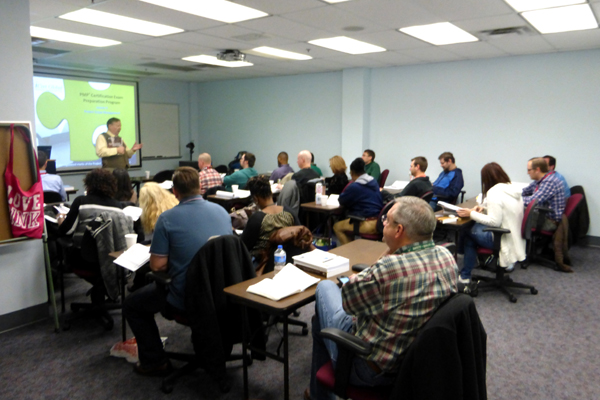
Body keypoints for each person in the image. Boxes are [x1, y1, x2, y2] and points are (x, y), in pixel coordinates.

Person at [308, 196, 458, 400]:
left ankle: (320, 394)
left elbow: (349, 304)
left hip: (371, 369)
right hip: (412, 362)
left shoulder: (389, 268)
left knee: (325, 288)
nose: (383, 223)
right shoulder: (446, 255)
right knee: (320, 321)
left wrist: (383, 257)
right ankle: (318, 392)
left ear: (399, 230)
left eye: (387, 220)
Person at [124, 167, 232, 375]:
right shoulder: (222, 211)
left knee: (132, 305)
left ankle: (155, 361)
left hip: (186, 296)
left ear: (175, 191)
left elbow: (158, 266)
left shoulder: (167, 219)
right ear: (200, 187)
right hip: (221, 290)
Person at [456, 163, 526, 284]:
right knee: (472, 231)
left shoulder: (494, 192)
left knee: (467, 232)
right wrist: (483, 209)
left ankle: (464, 271)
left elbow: (494, 221)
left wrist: (471, 213)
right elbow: (504, 210)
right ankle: (464, 272)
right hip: (513, 236)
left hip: (502, 239)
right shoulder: (511, 188)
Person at [522, 157, 571, 272]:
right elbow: (524, 191)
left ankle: (514, 254)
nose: (527, 172)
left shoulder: (550, 182)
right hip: (542, 215)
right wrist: (512, 195)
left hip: (548, 221)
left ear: (537, 170)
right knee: (516, 211)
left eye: (529, 170)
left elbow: (532, 202)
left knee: (515, 215)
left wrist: (512, 201)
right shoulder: (541, 180)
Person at [241, 176, 300, 265]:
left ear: (255, 199)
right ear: (271, 193)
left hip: (262, 265)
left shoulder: (257, 218)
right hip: (288, 261)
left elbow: (243, 246)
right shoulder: (289, 212)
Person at [57, 168, 123, 240]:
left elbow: (67, 231)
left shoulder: (81, 202)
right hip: (108, 246)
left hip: (82, 246)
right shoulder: (118, 207)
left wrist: (60, 217)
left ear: (89, 185)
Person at [332, 158, 383, 245]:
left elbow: (342, 200)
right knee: (348, 223)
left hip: (366, 223)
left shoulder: (355, 186)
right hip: (378, 222)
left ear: (352, 173)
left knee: (337, 227)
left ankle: (349, 251)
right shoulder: (373, 181)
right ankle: (353, 248)